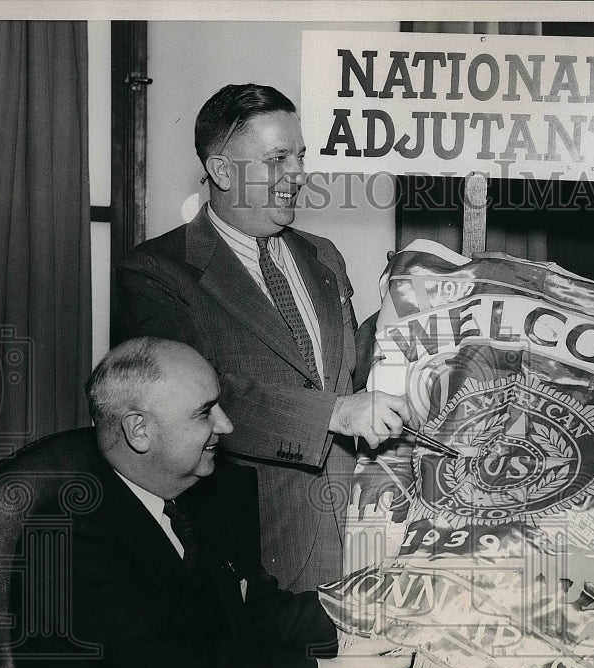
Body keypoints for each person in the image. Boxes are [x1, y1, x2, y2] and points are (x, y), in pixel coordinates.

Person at [11, 338, 412, 668]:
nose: (226, 425)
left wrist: (379, 616)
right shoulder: (66, 538)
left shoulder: (200, 499)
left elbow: (255, 608)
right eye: (205, 412)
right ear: (139, 431)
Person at [115, 83, 409, 591]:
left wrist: (400, 315)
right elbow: (195, 404)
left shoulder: (322, 254)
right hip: (257, 547)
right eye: (277, 159)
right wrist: (335, 414)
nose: (297, 175)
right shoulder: (158, 270)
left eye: (299, 156)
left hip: (362, 526)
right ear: (222, 171)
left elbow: (340, 376)